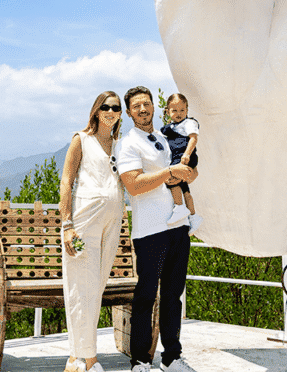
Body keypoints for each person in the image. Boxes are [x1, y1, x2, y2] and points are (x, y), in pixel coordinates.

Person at [115, 85, 198, 372]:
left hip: (178, 226)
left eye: (146, 104)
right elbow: (134, 186)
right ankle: (139, 360)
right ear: (129, 113)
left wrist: (189, 173)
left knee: (173, 296)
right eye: (136, 106)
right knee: (146, 296)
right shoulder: (127, 144)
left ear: (154, 106)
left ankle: (171, 358)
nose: (143, 109)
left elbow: (188, 171)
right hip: (150, 232)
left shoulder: (166, 135)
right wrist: (169, 173)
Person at [60, 91, 125, 372]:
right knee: (81, 287)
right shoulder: (81, 139)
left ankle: (75, 358)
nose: (111, 112)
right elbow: (66, 180)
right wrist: (67, 225)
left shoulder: (121, 145)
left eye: (116, 108)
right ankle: (90, 360)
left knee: (95, 288)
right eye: (106, 107)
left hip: (113, 221)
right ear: (97, 110)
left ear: (120, 114)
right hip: (84, 221)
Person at [160, 93, 202, 233]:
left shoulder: (189, 123)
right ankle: (193, 216)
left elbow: (193, 138)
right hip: (178, 157)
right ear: (168, 112)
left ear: (187, 110)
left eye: (182, 110)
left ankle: (179, 207)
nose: (179, 114)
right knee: (185, 190)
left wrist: (187, 154)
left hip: (184, 157)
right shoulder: (171, 127)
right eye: (175, 110)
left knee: (172, 180)